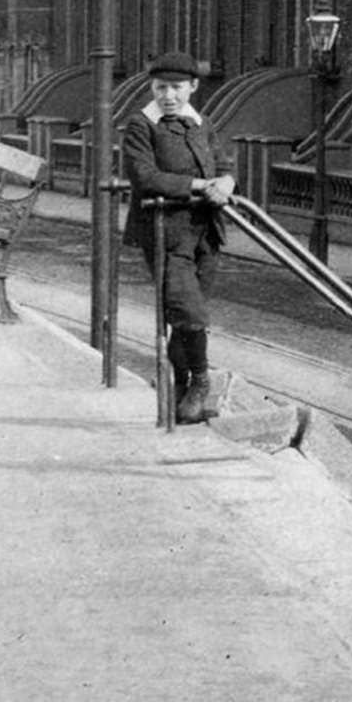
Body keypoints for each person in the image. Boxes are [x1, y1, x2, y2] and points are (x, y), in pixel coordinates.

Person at [123, 51, 236, 424]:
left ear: (193, 87)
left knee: (189, 316)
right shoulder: (142, 125)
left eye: (176, 88)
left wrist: (226, 182)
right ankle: (200, 382)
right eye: (160, 87)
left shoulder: (200, 122)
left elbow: (224, 164)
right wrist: (202, 184)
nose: (168, 96)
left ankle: (180, 385)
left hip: (206, 232)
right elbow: (146, 177)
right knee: (190, 312)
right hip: (165, 232)